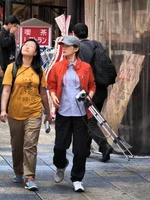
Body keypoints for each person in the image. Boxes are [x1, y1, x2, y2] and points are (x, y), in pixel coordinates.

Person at [0, 39, 51, 191]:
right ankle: (18, 171)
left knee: (30, 145)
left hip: (34, 112)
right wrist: (3, 110)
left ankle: (30, 177)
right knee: (17, 146)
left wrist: (47, 113)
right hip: (15, 112)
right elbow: (6, 90)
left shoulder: (40, 70)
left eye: (31, 46)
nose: (27, 47)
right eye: (25, 45)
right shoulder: (12, 68)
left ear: (35, 53)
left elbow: (43, 93)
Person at [47, 36, 96, 193]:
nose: (64, 48)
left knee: (80, 149)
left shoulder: (86, 67)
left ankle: (77, 179)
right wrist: (53, 95)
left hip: (81, 113)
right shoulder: (58, 67)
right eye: (63, 45)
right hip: (63, 111)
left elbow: (92, 85)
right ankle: (61, 165)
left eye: (67, 46)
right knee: (60, 146)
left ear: (76, 48)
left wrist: (90, 96)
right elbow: (52, 85)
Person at [72, 23, 114, 162]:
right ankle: (86, 148)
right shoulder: (98, 45)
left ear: (74, 34)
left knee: (89, 122)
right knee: (91, 120)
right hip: (102, 89)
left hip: (89, 90)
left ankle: (104, 146)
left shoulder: (78, 48)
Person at [0, 16, 20, 113]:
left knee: (0, 86)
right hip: (4, 62)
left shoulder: (6, 33)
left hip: (8, 61)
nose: (15, 28)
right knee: (1, 87)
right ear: (10, 24)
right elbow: (5, 44)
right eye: (14, 25)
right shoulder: (2, 32)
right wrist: (11, 34)